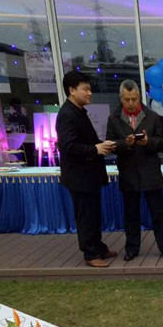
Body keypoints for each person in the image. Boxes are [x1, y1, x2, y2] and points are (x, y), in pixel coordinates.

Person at [106, 80, 163, 261]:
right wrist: (125, 143)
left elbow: (162, 143)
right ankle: (132, 249)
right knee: (131, 215)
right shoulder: (113, 118)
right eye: (126, 99)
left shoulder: (152, 116)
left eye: (134, 99)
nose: (130, 103)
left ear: (139, 97)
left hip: (150, 173)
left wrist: (147, 142)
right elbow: (110, 145)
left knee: (158, 214)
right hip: (128, 174)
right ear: (121, 98)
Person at [56, 71, 117, 268]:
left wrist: (102, 145)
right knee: (86, 216)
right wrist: (95, 149)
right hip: (79, 177)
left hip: (89, 176)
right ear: (72, 90)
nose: (90, 93)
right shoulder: (67, 115)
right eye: (86, 89)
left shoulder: (79, 111)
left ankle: (98, 247)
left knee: (94, 214)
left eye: (90, 89)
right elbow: (68, 146)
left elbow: (85, 141)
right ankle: (90, 254)